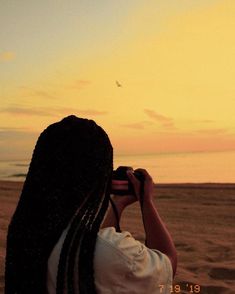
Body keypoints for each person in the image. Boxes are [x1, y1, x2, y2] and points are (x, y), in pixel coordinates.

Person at [5, 115, 177, 294]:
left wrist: (118, 205)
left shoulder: (26, 232)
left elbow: (90, 242)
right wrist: (146, 202)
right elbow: (168, 266)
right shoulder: (113, 253)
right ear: (99, 174)